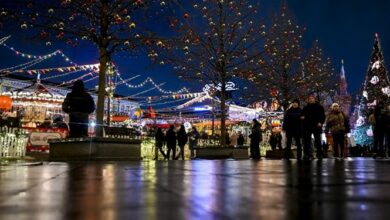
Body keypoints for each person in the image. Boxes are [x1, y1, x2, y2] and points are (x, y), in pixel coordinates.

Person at [301, 94, 325, 160]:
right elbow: (302, 116)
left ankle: (319, 154)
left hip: (316, 126)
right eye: (309, 99)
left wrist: (320, 122)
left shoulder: (319, 107)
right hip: (307, 126)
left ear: (314, 99)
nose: (311, 100)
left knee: (318, 141)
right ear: (308, 100)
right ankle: (307, 154)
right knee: (307, 142)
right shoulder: (305, 108)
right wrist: (302, 118)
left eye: (312, 98)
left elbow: (322, 116)